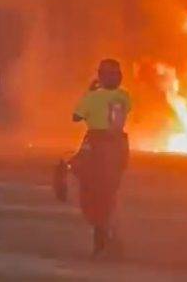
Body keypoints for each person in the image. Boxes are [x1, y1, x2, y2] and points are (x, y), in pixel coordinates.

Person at [53, 59, 132, 258]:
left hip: (98, 145)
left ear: (101, 77)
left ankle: (102, 237)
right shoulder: (125, 96)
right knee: (109, 193)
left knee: (88, 187)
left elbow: (76, 117)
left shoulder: (93, 98)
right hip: (120, 147)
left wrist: (90, 92)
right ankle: (109, 234)